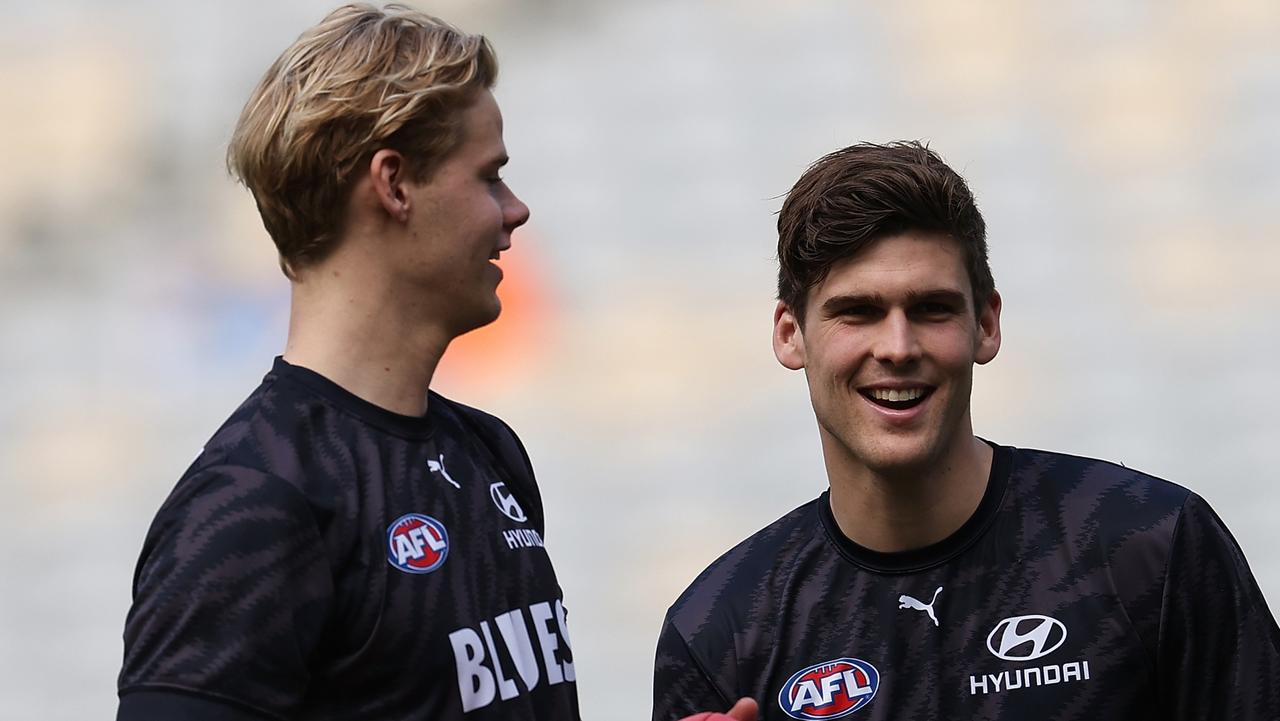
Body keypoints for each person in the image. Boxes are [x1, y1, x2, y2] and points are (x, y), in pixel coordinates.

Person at [651, 141, 1280, 720]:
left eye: (931, 309)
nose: (897, 348)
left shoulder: (1150, 546)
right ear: (791, 335)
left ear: (986, 324)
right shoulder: (721, 628)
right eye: (859, 312)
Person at [117, 5, 579, 719]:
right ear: (393, 184)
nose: (514, 210)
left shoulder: (492, 453)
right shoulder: (255, 501)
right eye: (489, 177)